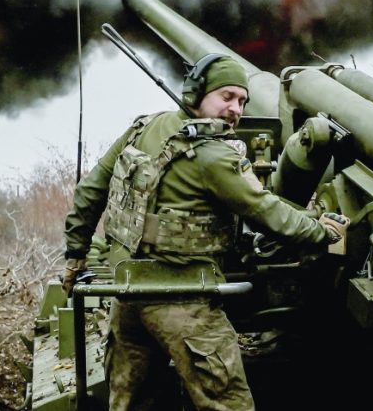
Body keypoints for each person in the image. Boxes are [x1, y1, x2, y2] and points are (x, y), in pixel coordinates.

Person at [62, 54, 347, 411]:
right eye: (226, 96)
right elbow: (264, 212)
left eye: (242, 100)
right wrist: (322, 233)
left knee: (131, 404)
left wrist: (75, 256)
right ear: (196, 94)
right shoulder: (213, 155)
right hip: (184, 303)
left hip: (128, 297)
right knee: (229, 404)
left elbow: (90, 191)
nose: (236, 109)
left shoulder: (142, 129)